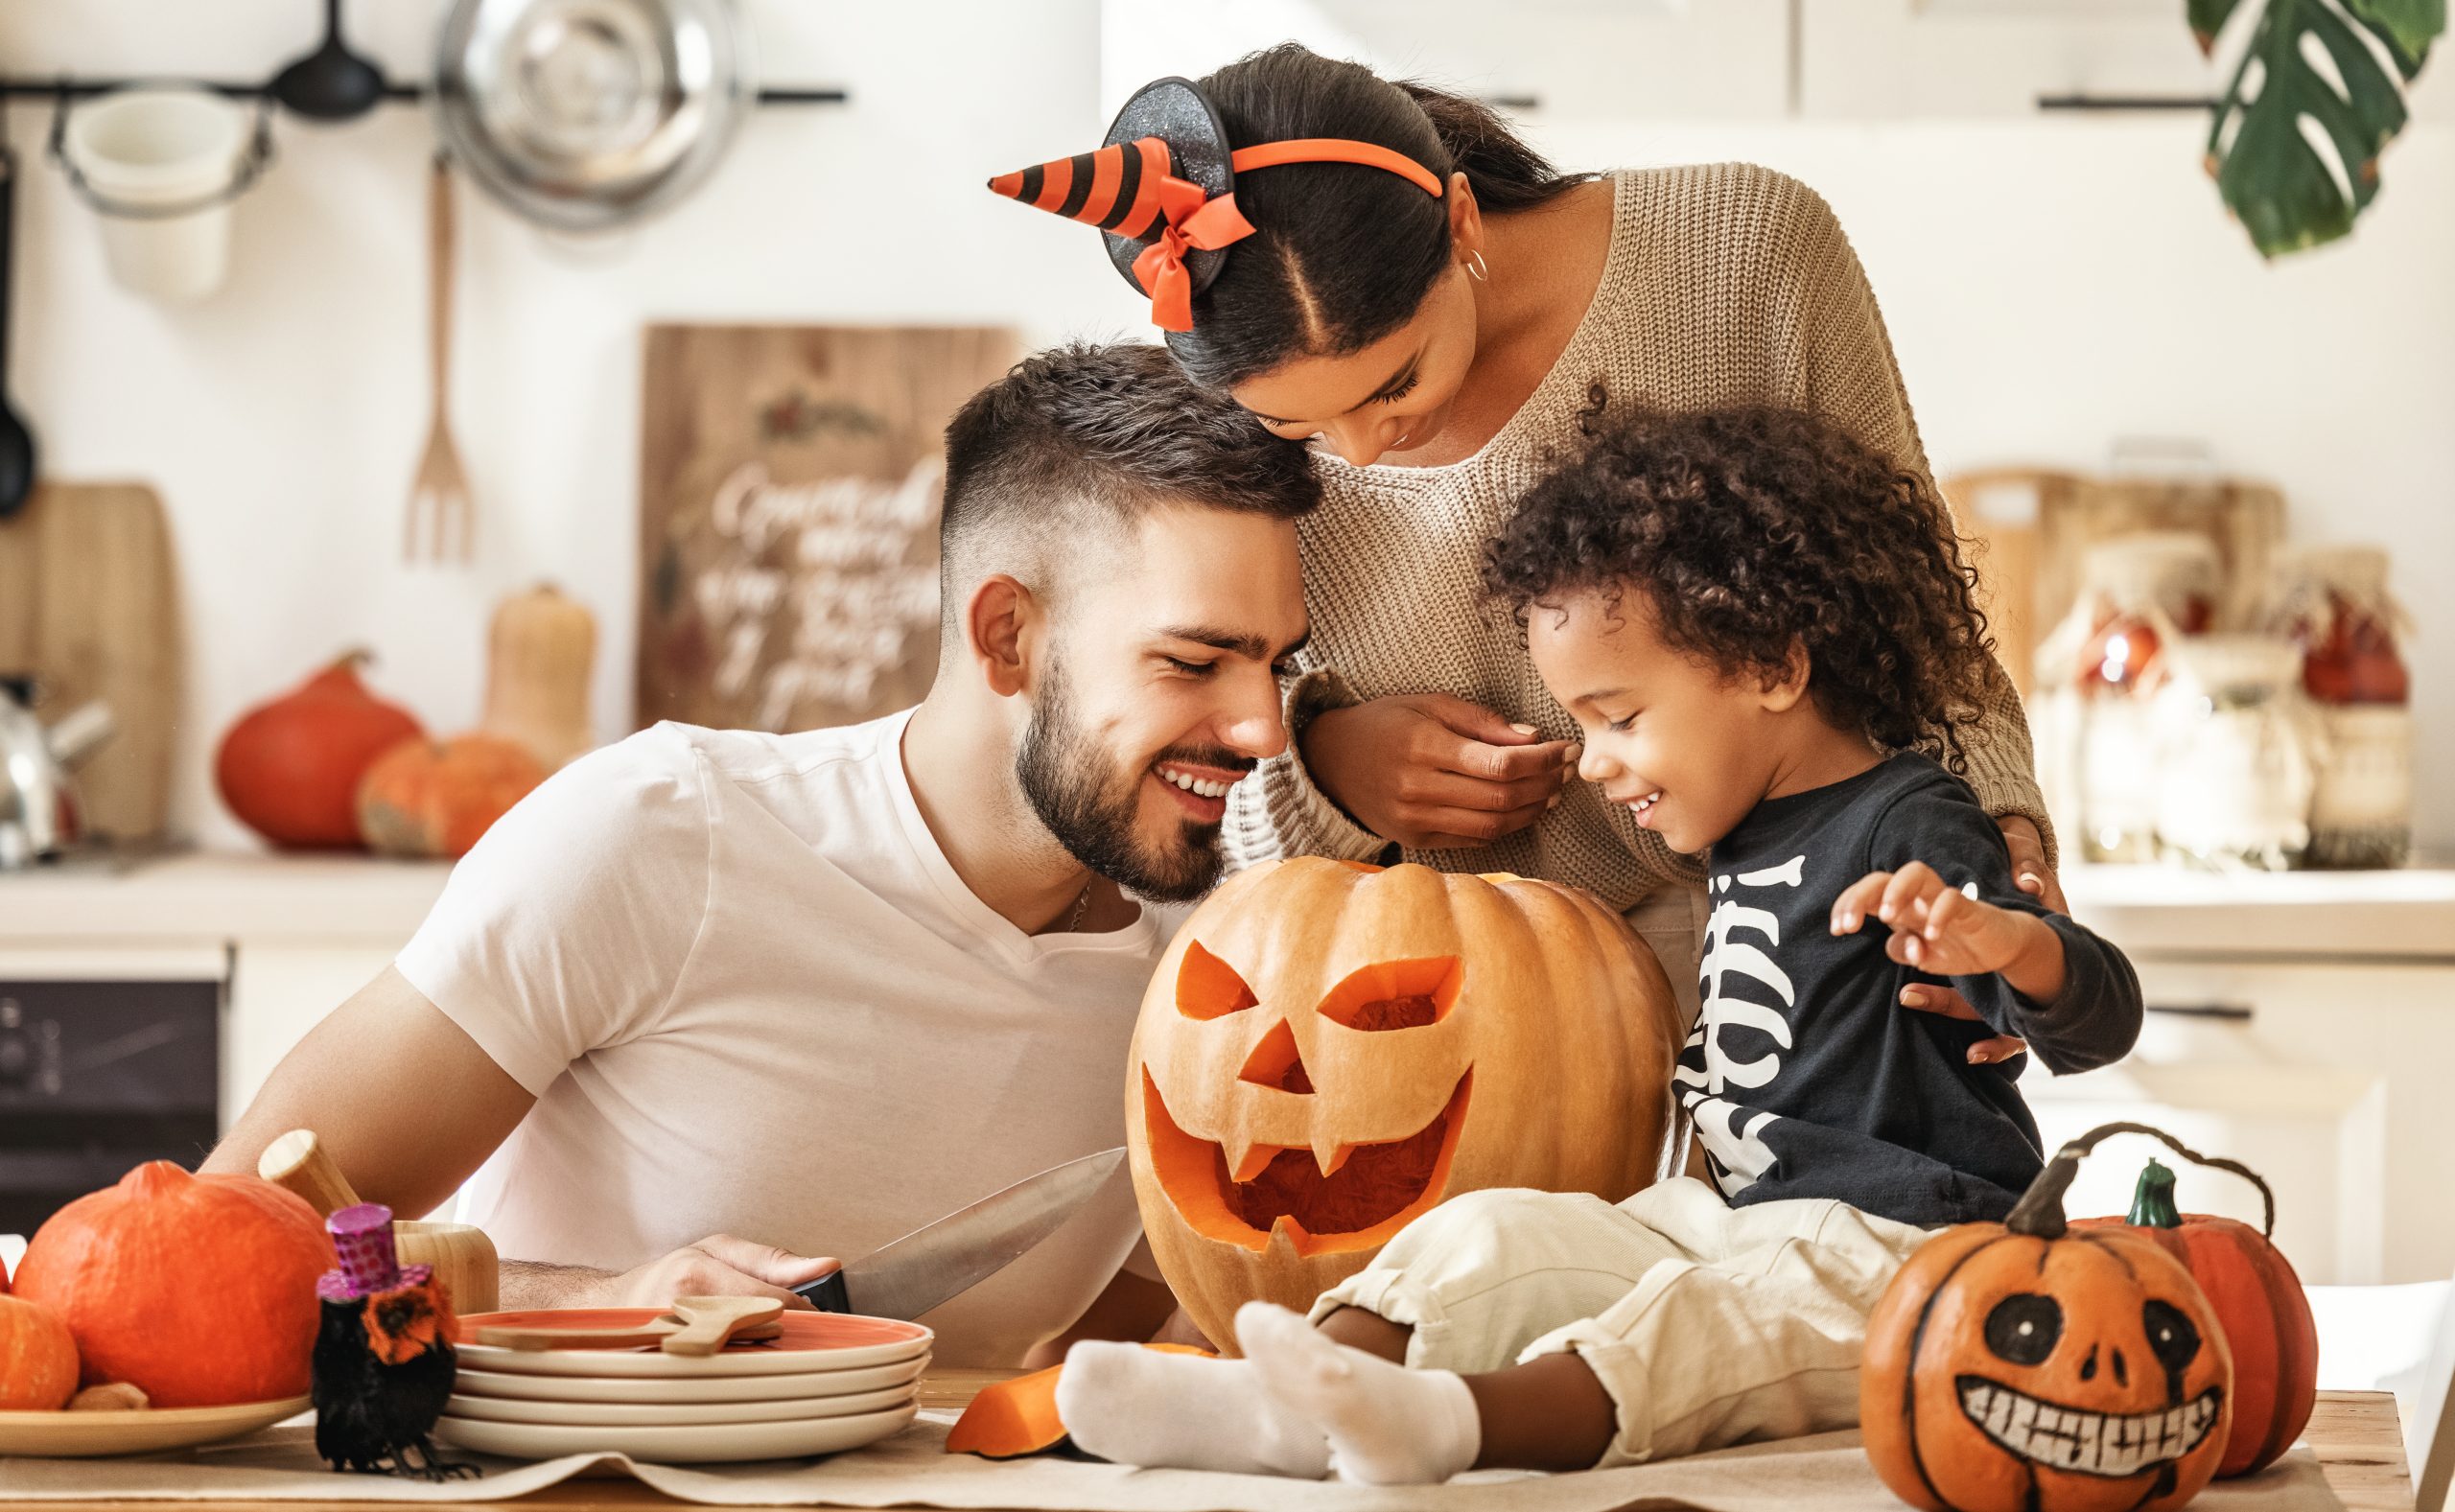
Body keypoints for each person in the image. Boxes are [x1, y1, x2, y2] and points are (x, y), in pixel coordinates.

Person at [1052, 405, 2144, 1480]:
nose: (1590, 761)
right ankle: (1289, 1398)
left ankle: (1453, 1423)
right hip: (1726, 1218)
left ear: (1772, 666)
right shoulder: (1744, 827)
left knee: (1696, 1325)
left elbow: (2099, 1016)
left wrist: (2005, 942)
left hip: (1911, 1249)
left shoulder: (1911, 821)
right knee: (1498, 1232)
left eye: (1618, 717)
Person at [203, 342, 1319, 1368]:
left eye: (1275, 664)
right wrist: (598, 1297)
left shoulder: (1212, 985)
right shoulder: (657, 832)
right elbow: (227, 1240)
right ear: (1005, 636)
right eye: (1192, 661)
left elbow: (1046, 1378)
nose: (1262, 727)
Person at [991, 45, 2059, 1041]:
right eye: (1298, 426)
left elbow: (1909, 606)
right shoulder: (1209, 417)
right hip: (1426, 1004)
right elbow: (1194, 807)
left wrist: (1997, 844)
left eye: (1395, 380)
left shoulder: (1745, 250)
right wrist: (1325, 774)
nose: (1360, 447)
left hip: (1802, 950)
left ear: (1459, 223)